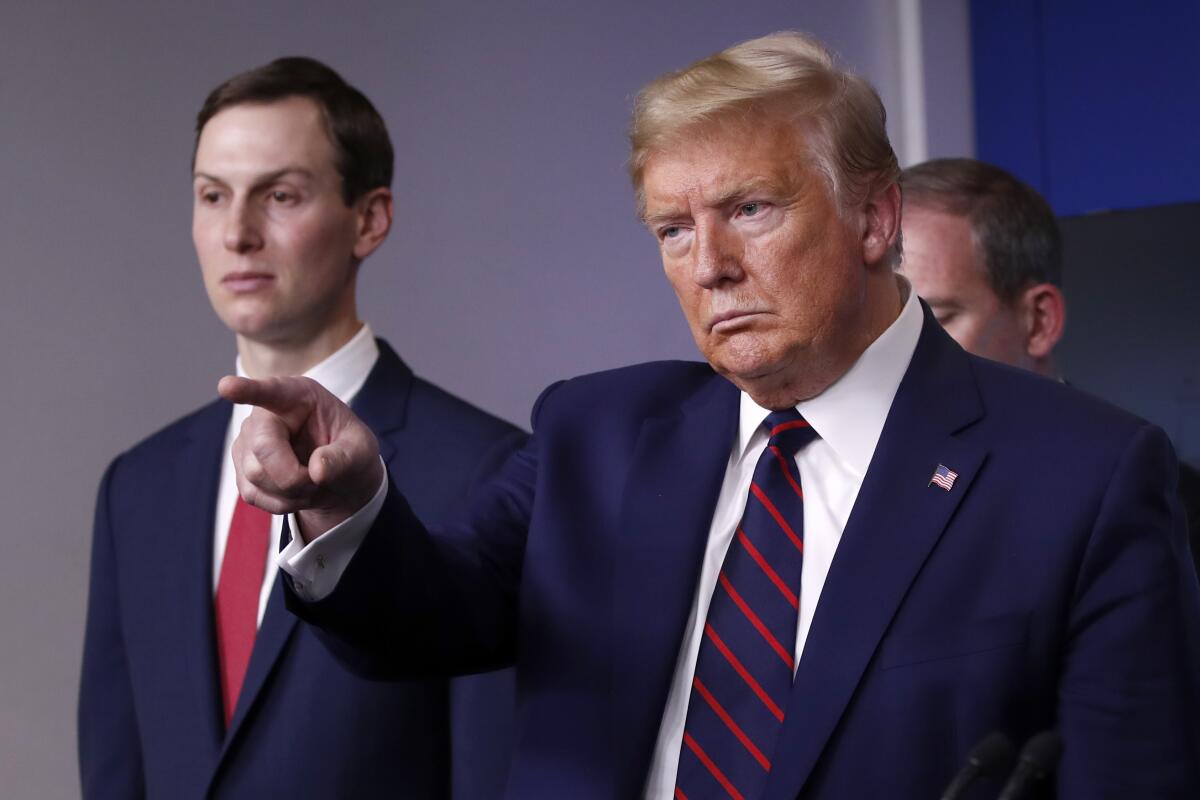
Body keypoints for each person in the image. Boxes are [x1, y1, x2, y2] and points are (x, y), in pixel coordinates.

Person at [221, 34, 1200, 799]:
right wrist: (347, 502)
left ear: (876, 219)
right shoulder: (596, 433)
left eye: (753, 209)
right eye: (674, 229)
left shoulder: (1085, 476)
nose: (710, 265)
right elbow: (422, 619)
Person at [78, 57, 522, 799]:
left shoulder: (487, 469)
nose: (238, 233)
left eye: (280, 195)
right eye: (212, 196)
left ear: (369, 219)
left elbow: (490, 777)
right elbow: (117, 774)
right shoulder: (138, 485)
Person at [900, 157, 1200, 576]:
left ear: (1039, 321)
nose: (895, 348)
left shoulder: (1173, 509)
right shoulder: (848, 490)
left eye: (934, 317)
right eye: (885, 325)